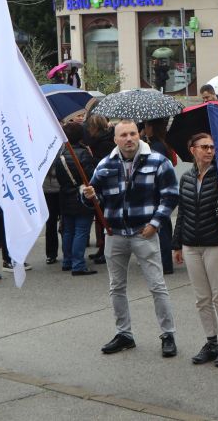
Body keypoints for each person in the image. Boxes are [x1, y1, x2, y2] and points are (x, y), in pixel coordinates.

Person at [82, 119, 180, 358]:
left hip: (143, 233)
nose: (129, 139)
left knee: (157, 286)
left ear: (139, 135)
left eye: (133, 134)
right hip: (114, 235)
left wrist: (155, 224)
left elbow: (170, 195)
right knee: (116, 287)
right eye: (123, 135)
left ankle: (168, 335)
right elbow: (94, 201)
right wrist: (87, 196)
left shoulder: (158, 161)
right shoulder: (105, 165)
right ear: (115, 139)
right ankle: (124, 334)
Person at [172, 133, 218, 368]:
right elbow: (183, 212)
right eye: (204, 147)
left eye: (212, 147)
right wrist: (177, 244)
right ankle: (211, 342)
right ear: (192, 150)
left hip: (215, 243)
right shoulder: (186, 178)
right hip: (191, 243)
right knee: (202, 298)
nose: (209, 151)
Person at [55, 122, 98, 276]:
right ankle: (78, 264)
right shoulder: (83, 154)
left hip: (64, 195)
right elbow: (91, 176)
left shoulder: (60, 154)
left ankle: (67, 261)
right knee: (81, 230)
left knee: (68, 231)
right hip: (80, 196)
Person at [142, 119, 178, 274]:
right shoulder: (162, 143)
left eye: (145, 126)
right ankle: (165, 262)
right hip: (162, 188)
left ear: (151, 127)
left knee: (160, 228)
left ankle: (164, 264)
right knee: (164, 225)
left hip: (157, 189)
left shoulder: (155, 147)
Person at [84, 113, 115, 265]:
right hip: (104, 184)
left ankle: (105, 250)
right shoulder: (105, 139)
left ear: (94, 127)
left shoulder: (103, 143)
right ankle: (102, 249)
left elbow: (104, 163)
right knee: (101, 218)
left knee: (104, 219)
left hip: (104, 184)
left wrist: (91, 157)